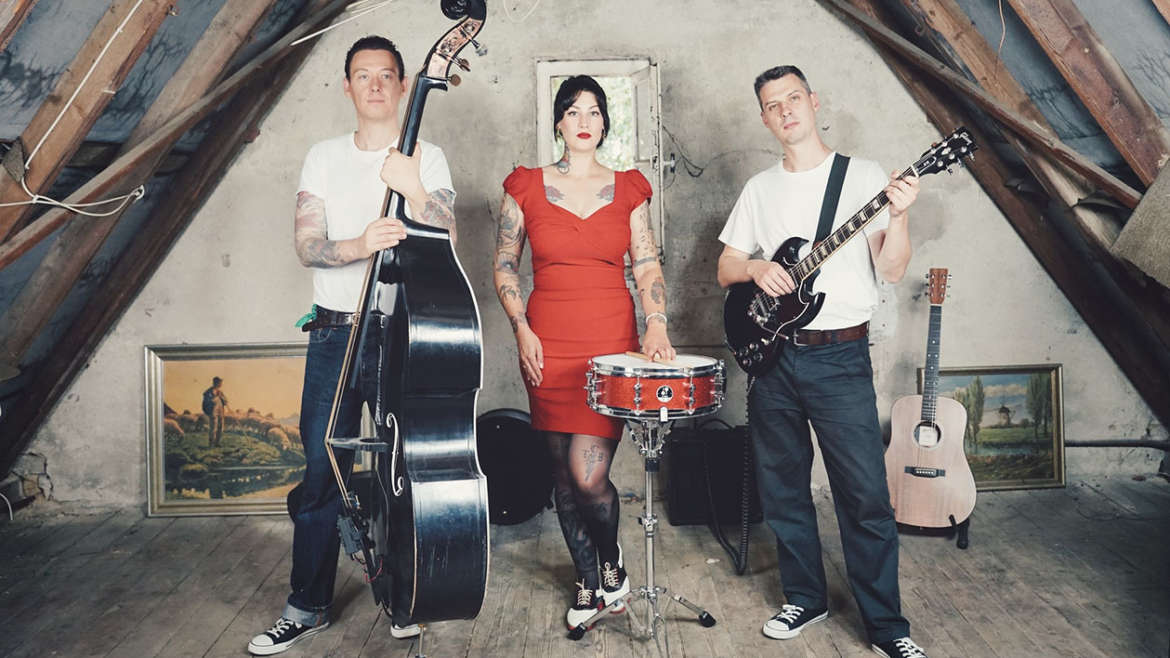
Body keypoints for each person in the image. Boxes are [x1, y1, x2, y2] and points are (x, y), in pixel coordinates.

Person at [248, 36, 458, 656]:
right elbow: (307, 246)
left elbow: (448, 234)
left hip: (401, 331)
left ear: (403, 85)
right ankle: (306, 605)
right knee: (321, 467)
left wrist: (413, 188)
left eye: (386, 75)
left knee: (403, 469)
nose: (375, 85)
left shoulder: (427, 156)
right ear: (347, 87)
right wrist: (361, 244)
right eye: (362, 75)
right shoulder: (323, 157)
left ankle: (404, 596)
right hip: (335, 333)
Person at [716, 65, 928, 658]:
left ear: (813, 101)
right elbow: (726, 268)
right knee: (783, 489)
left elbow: (891, 269)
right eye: (772, 104)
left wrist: (900, 215)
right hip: (774, 360)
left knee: (864, 495)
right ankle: (805, 598)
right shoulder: (760, 189)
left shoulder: (863, 177)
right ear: (764, 118)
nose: (785, 110)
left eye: (793, 98)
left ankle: (887, 627)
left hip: (839, 358)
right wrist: (757, 267)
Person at [493, 75, 675, 630]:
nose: (584, 120)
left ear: (605, 123)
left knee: (588, 474)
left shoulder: (628, 189)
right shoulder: (524, 187)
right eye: (573, 110)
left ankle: (612, 565)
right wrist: (521, 329)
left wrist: (656, 324)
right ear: (559, 121)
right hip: (546, 343)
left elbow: (646, 264)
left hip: (609, 345)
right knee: (562, 476)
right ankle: (588, 581)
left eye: (595, 111)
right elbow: (505, 265)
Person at [201, 376, 228, 447]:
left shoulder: (220, 392)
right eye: (220, 382)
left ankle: (217, 443)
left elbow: (226, 402)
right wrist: (216, 397)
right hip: (213, 412)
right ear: (216, 383)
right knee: (213, 428)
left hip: (221, 412)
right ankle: (211, 444)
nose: (221, 384)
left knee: (220, 428)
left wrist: (222, 398)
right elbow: (207, 402)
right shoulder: (208, 392)